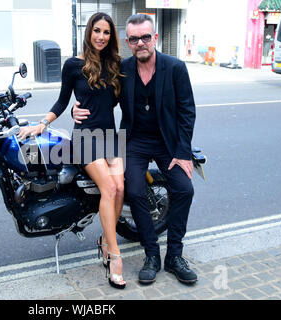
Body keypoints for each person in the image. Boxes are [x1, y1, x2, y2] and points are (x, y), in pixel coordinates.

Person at [73, 13, 197, 285]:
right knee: (136, 191)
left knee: (185, 190)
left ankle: (174, 256)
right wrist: (77, 108)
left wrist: (183, 152)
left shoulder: (175, 68)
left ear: (154, 38)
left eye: (145, 37)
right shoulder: (123, 69)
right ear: (128, 42)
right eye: (134, 38)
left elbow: (187, 111)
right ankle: (152, 255)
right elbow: (102, 97)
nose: (140, 42)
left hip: (168, 143)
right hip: (134, 142)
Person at [17, 12, 127, 289]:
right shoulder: (74, 65)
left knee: (120, 187)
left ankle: (105, 238)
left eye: (106, 32)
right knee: (110, 189)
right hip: (85, 137)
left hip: (110, 136)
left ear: (111, 36)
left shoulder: (116, 65)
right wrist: (42, 124)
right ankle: (114, 255)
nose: (101, 36)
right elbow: (62, 101)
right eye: (97, 31)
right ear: (89, 32)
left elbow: (123, 101)